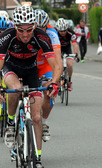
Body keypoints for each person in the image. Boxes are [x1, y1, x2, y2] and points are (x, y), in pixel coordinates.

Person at [0, 6, 61, 167]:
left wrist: (54, 83)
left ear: (34, 26)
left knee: (37, 117)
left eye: (29, 30)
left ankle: (37, 158)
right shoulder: (6, 37)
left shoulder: (41, 37)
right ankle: (10, 124)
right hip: (11, 68)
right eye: (21, 30)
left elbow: (57, 65)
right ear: (14, 26)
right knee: (15, 89)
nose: (25, 34)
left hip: (32, 71)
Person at [35, 9, 63, 142]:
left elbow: (58, 61)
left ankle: (44, 123)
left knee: (49, 92)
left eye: (43, 28)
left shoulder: (52, 33)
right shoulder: (25, 32)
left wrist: (57, 80)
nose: (40, 31)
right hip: (30, 65)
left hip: (46, 65)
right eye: (37, 28)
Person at [56, 18, 79, 91]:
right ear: (57, 29)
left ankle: (69, 80)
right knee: (59, 66)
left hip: (67, 48)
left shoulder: (71, 33)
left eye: (64, 30)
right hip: (58, 49)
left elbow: (74, 44)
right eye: (61, 31)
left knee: (70, 64)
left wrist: (76, 54)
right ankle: (58, 81)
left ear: (67, 29)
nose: (63, 32)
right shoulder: (54, 33)